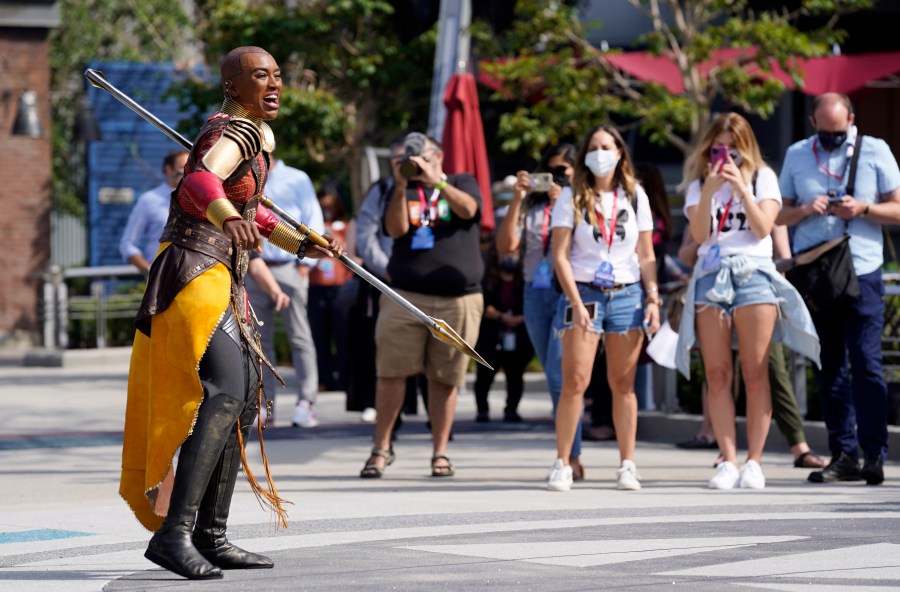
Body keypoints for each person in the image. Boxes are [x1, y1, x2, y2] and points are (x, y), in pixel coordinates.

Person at [119, 46, 341, 580]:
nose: (274, 84)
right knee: (224, 391)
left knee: (241, 402)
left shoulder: (255, 137)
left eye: (277, 75)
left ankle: (210, 534)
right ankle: (174, 535)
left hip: (225, 275)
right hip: (195, 272)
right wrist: (226, 216)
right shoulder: (232, 134)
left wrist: (297, 241)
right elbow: (198, 184)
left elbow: (250, 207)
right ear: (233, 85)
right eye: (260, 76)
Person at [675, 112, 819, 490]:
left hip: (755, 274)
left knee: (756, 372)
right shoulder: (697, 183)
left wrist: (741, 188)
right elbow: (700, 235)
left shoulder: (763, 177)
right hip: (711, 277)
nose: (727, 156)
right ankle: (728, 460)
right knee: (718, 373)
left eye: (734, 148)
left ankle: (754, 461)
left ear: (747, 148)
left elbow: (761, 227)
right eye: (720, 147)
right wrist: (708, 189)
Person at [778, 92, 900, 485]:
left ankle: (874, 454)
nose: (833, 137)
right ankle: (843, 452)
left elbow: (898, 208)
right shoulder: (797, 154)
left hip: (861, 268)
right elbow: (778, 213)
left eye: (839, 130)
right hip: (816, 270)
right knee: (827, 365)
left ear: (851, 119)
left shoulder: (875, 150)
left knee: (866, 364)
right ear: (813, 123)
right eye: (825, 132)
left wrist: (863, 209)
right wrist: (803, 210)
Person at [359, 132, 483, 479]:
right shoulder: (397, 189)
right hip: (405, 296)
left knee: (445, 378)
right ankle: (381, 449)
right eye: (402, 158)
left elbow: (470, 210)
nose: (411, 163)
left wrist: (436, 183)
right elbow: (396, 230)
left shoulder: (461, 181)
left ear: (438, 155)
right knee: (391, 374)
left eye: (417, 156)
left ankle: (440, 452)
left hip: (459, 298)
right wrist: (401, 186)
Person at [546, 124, 660, 492]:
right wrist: (576, 302)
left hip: (627, 294)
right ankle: (563, 462)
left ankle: (628, 463)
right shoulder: (572, 196)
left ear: (620, 152)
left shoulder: (635, 195)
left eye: (607, 146)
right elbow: (559, 255)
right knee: (574, 382)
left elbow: (646, 255)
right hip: (584, 293)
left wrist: (653, 298)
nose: (600, 153)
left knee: (623, 384)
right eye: (593, 147)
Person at [496, 143, 594, 478]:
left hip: (570, 293)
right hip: (535, 294)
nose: (557, 177)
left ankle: (569, 456)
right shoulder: (532, 206)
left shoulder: (584, 201)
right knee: (557, 374)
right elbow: (506, 246)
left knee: (558, 374)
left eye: (564, 171)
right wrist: (518, 198)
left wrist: (564, 204)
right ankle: (570, 454)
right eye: (551, 171)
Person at [350, 139, 429, 424]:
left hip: (425, 282)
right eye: (399, 160)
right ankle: (378, 407)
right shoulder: (381, 190)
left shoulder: (430, 189)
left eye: (411, 158)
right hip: (385, 282)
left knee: (428, 348)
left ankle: (425, 410)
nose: (405, 165)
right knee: (381, 345)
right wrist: (387, 270)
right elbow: (366, 235)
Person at [244, 154, 324, 428]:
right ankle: (266, 404)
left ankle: (306, 402)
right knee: (259, 340)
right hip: (255, 266)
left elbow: (314, 217)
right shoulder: (244, 175)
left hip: (290, 265)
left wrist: (306, 266)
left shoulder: (296, 178)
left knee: (300, 336)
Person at [472, 246, 534, 423]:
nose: (510, 258)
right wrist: (501, 316)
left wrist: (518, 318)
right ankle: (482, 410)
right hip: (491, 335)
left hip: (518, 336)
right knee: (484, 375)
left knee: (515, 376)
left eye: (514, 253)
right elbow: (482, 304)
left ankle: (512, 409)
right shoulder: (487, 280)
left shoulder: (524, 281)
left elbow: (532, 305)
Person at [308, 183, 353, 392]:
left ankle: (345, 378)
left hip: (340, 287)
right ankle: (324, 379)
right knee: (320, 336)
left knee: (344, 336)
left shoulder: (346, 226)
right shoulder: (314, 226)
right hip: (316, 287)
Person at [119, 150, 189, 272]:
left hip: (195, 276)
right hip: (163, 277)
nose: (187, 173)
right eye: (183, 168)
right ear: (168, 169)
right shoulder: (149, 200)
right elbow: (127, 244)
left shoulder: (199, 200)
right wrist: (149, 270)